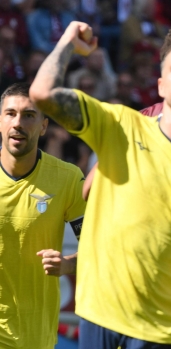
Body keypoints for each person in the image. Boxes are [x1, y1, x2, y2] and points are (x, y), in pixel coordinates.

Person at [29, 19, 171, 349]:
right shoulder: (122, 125)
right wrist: (68, 40)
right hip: (108, 308)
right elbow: (43, 94)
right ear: (161, 83)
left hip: (159, 318)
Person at [0, 82, 86, 349]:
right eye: (10, 114)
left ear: (44, 126)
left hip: (33, 337)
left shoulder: (68, 178)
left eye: (29, 115)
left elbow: (103, 248)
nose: (18, 123)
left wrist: (70, 265)